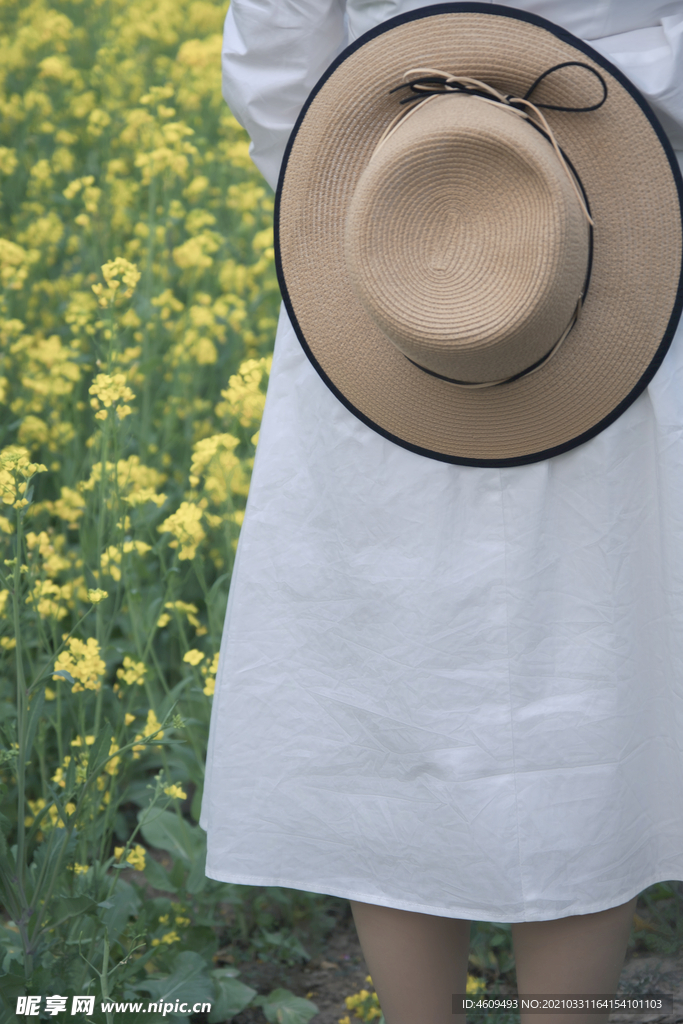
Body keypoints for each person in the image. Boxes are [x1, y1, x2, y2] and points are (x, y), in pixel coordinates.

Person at [200, 3, 683, 1022]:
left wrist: (376, 214)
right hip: (617, 261)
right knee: (589, 685)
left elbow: (273, 59)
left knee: (392, 696)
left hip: (385, 284)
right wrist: (610, 153)